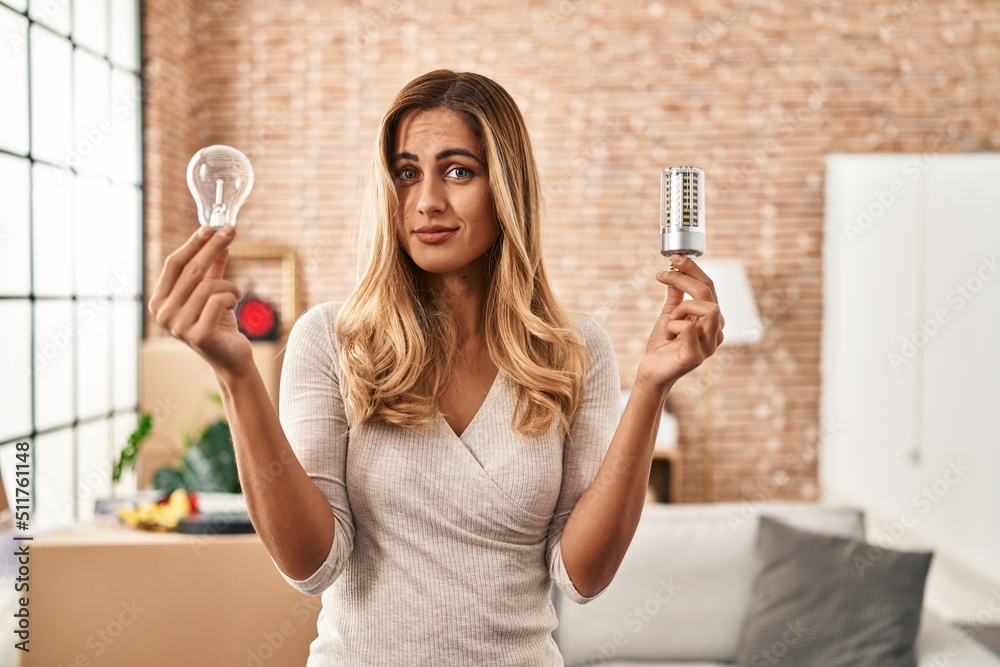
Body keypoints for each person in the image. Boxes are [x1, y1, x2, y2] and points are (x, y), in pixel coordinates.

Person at [148, 69, 724, 665]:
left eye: (458, 171)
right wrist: (236, 376)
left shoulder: (575, 349)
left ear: (505, 188)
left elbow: (583, 575)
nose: (426, 200)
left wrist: (653, 386)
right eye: (405, 173)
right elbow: (311, 566)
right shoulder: (329, 339)